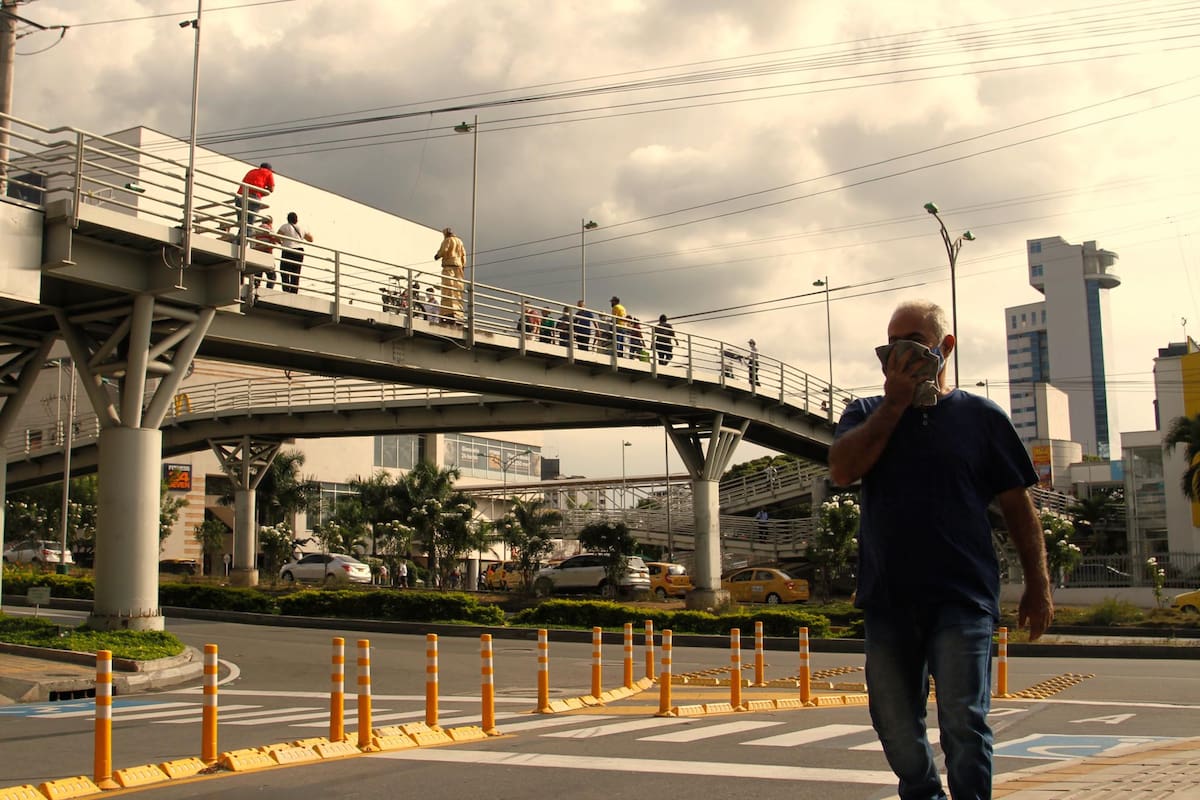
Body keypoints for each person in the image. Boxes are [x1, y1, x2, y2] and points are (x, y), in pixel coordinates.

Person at [828, 299, 1053, 800]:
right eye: (891, 347)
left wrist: (1038, 586)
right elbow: (842, 471)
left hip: (963, 597)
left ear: (945, 348)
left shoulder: (981, 417)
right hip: (888, 598)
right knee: (892, 720)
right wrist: (893, 404)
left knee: (963, 720)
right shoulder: (865, 412)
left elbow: (1019, 506)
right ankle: (923, 792)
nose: (900, 356)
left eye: (914, 344)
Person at [434, 227, 466, 323]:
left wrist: (437, 256)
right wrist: (463, 266)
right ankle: (458, 311)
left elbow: (444, 250)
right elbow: (463, 255)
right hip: (459, 268)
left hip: (449, 266)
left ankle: (448, 311)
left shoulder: (447, 240)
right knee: (458, 290)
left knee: (448, 289)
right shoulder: (460, 242)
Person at [277, 212, 313, 294]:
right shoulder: (302, 227)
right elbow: (311, 239)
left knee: (284, 271)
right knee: (296, 272)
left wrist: (281, 242)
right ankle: (294, 291)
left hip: (288, 249)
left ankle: (286, 290)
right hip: (299, 251)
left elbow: (277, 236)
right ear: (296, 219)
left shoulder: (285, 226)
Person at [233, 162, 274, 234]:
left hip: (239, 197)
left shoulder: (251, 171)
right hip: (253, 197)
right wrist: (263, 190)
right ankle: (242, 243)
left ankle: (237, 241)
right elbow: (271, 189)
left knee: (242, 223)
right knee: (249, 225)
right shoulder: (268, 173)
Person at [250, 215, 279, 290]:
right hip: (266, 254)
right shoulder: (269, 229)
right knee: (272, 276)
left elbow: (252, 242)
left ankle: (255, 289)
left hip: (257, 254)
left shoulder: (256, 229)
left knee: (258, 274)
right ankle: (268, 290)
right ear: (270, 222)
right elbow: (275, 240)